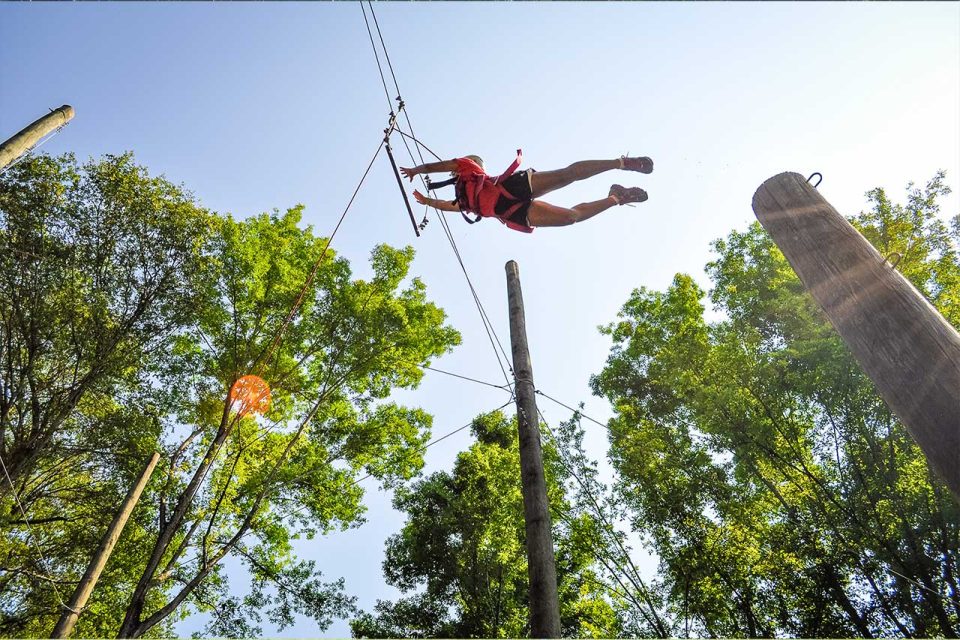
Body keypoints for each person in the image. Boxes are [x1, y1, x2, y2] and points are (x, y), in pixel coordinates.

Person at [400, 150, 652, 233]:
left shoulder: (467, 167)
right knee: (570, 218)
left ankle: (621, 163)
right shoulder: (463, 199)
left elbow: (436, 166)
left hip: (509, 187)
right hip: (510, 211)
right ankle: (617, 197)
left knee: (566, 175)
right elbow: (448, 206)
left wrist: (416, 170)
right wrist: (427, 202)